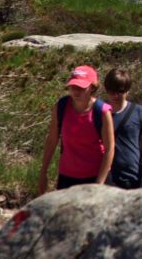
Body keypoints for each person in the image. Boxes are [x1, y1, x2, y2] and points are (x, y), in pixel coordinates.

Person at [38, 66, 115, 195]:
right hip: (67, 177)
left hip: (95, 176)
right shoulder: (61, 107)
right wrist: (43, 171)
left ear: (92, 87)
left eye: (81, 87)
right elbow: (52, 140)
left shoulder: (102, 111)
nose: (75, 91)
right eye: (73, 87)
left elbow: (110, 149)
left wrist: (99, 184)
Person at [104, 69, 142, 190]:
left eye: (120, 91)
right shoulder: (101, 112)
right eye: (111, 91)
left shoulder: (138, 111)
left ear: (127, 90)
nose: (115, 95)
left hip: (136, 177)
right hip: (109, 178)